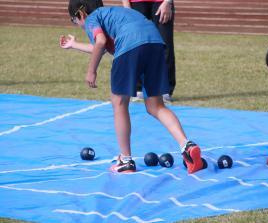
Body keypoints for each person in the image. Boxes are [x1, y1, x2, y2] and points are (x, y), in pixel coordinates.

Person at [59, 0, 206, 174]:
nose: (78, 26)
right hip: (155, 43)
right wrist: (74, 45)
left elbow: (100, 41)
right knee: (156, 106)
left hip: (130, 44)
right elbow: (103, 45)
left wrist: (91, 71)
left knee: (119, 103)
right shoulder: (116, 14)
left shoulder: (92, 19)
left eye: (74, 21)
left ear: (81, 14)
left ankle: (126, 161)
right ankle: (187, 146)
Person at [121, 0, 175, 103]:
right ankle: (138, 88)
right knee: (136, 44)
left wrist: (168, 2)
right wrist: (127, 9)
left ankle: (164, 90)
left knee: (164, 45)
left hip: (161, 2)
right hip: (136, 3)